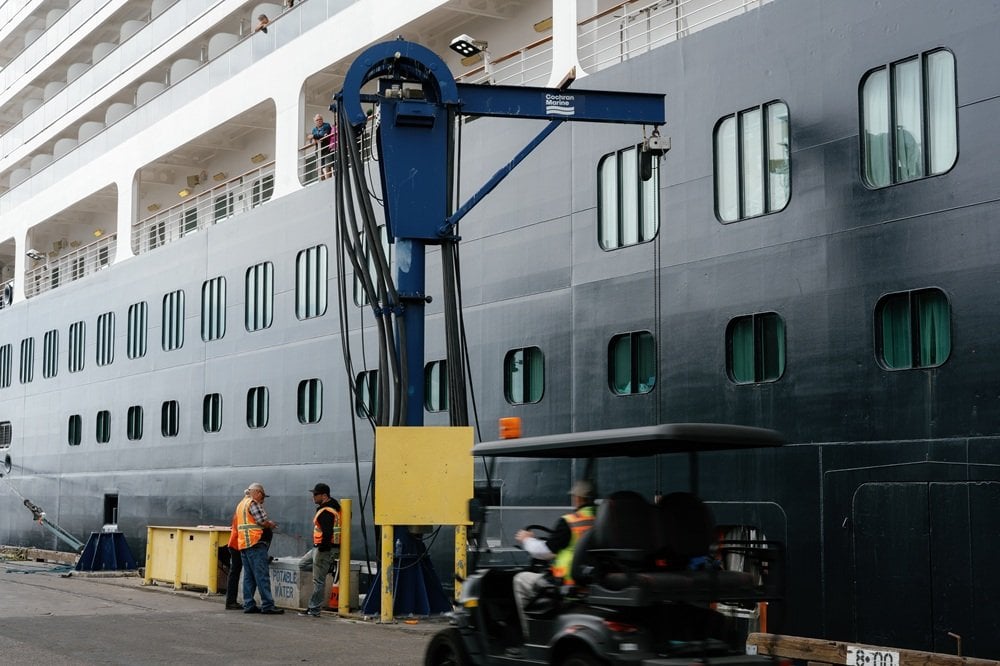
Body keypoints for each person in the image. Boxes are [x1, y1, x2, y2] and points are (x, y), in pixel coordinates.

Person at [512, 480, 596, 636]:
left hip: (567, 584)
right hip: (594, 583)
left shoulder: (570, 521)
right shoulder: (602, 518)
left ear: (578, 498)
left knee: (520, 580)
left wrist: (526, 540)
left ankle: (529, 635)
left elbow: (545, 552)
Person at [234, 482, 284, 614]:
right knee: (262, 575)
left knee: (248, 577)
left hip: (244, 544)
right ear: (257, 492)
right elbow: (262, 521)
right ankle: (267, 605)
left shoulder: (241, 504)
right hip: (255, 544)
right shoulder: (253, 503)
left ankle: (249, 604)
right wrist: (270, 524)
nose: (262, 500)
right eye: (262, 496)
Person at [297, 483, 341, 617]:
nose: (313, 497)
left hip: (323, 549)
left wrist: (323, 549)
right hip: (319, 548)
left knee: (318, 581)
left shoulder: (326, 511)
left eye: (315, 494)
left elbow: (327, 533)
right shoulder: (332, 508)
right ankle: (325, 569)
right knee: (302, 564)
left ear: (324, 495)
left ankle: (314, 609)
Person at [224, 512, 242, 610]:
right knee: (234, 573)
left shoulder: (240, 508)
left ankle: (230, 601)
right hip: (237, 544)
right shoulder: (246, 508)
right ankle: (231, 601)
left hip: (235, 543)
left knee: (234, 572)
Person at [308, 114, 334, 180]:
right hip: (319, 150)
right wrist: (315, 138)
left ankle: (329, 181)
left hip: (327, 149)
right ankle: (322, 182)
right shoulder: (314, 130)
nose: (319, 121)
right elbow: (312, 141)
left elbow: (323, 134)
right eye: (317, 120)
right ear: (314, 121)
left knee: (328, 166)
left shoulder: (326, 125)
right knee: (319, 168)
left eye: (320, 119)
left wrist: (313, 136)